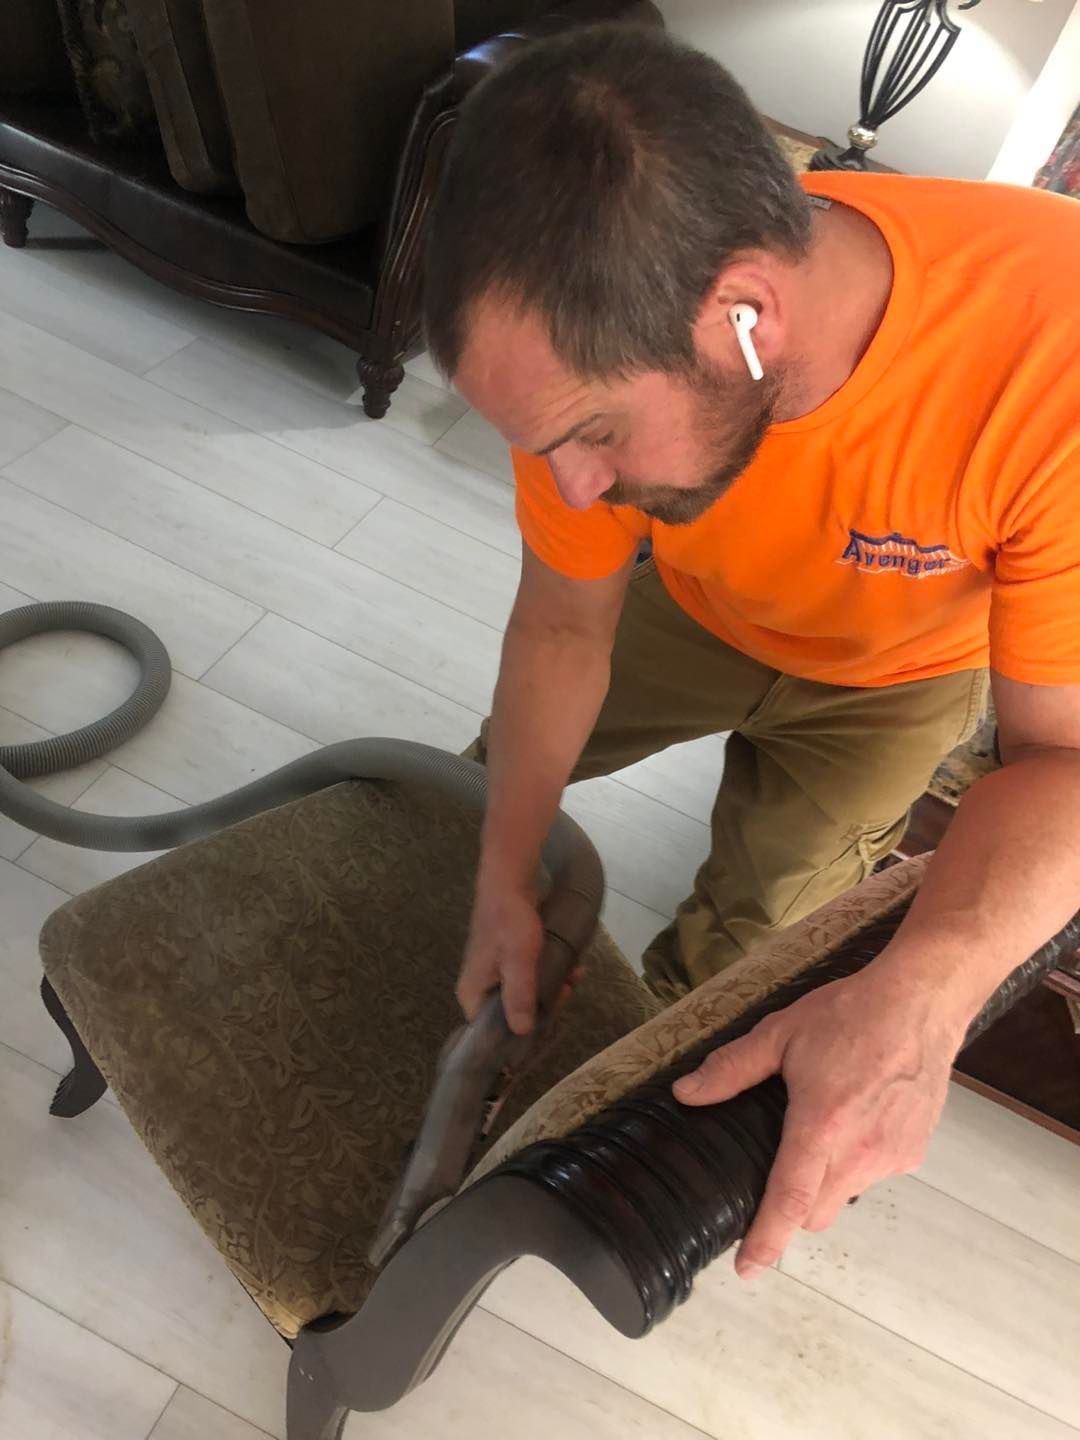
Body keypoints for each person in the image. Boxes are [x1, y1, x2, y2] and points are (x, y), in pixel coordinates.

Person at [422, 25, 1080, 1279]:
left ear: (747, 316)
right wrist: (507, 864)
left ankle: (587, 1139)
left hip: (896, 683)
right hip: (698, 602)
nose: (573, 483)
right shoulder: (579, 327)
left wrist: (927, 993)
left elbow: (1065, 765)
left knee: (744, 949)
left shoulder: (1056, 356)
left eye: (594, 434)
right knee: (467, 807)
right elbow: (566, 618)